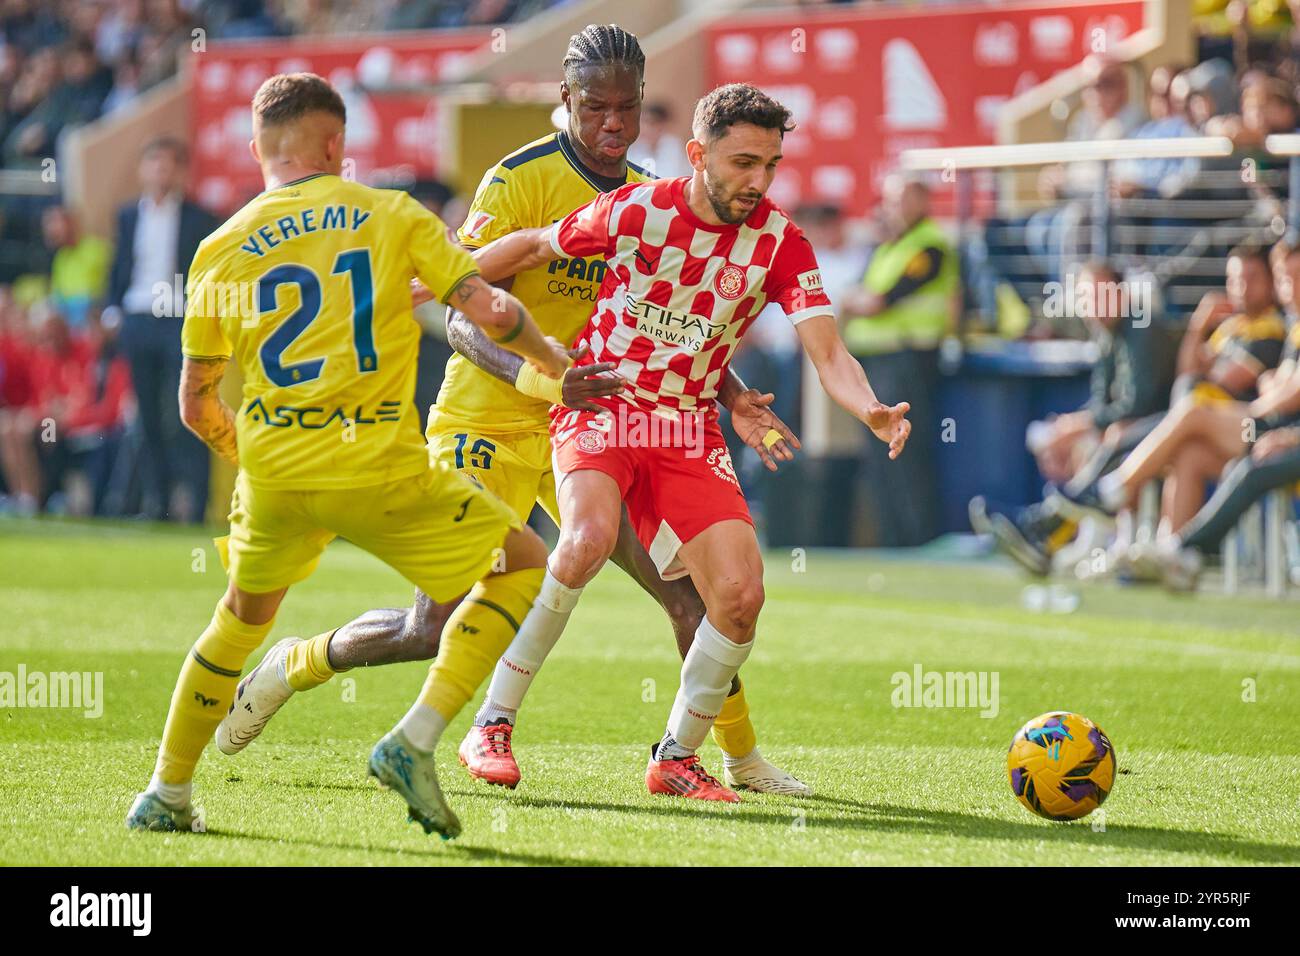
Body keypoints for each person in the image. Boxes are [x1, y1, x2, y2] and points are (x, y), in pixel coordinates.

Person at [217, 25, 812, 797]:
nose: (612, 125)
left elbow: (676, 324)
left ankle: (735, 758)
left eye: (626, 108)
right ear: (564, 101)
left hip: (603, 426)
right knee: (438, 623)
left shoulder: (652, 193)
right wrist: (543, 381)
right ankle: (295, 663)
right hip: (487, 421)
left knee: (691, 597)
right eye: (595, 107)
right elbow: (462, 317)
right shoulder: (517, 179)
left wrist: (733, 397)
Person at [124, 72, 568, 838]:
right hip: (380, 468)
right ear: (337, 144)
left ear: (259, 147)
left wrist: (252, 451)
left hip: (273, 475)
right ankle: (415, 736)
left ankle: (166, 792)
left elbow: (195, 403)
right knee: (524, 560)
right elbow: (492, 308)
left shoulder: (221, 247)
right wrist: (552, 362)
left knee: (237, 621)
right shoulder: (393, 214)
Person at [464, 82, 911, 802]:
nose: (757, 181)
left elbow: (828, 354)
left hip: (687, 426)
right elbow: (537, 244)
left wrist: (872, 410)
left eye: (770, 164)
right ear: (698, 154)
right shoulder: (639, 207)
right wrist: (445, 276)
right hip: (605, 406)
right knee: (582, 541)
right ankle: (492, 722)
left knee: (739, 597)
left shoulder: (780, 242)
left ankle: (677, 756)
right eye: (742, 162)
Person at [104, 137, 219, 522]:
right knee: (148, 416)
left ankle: (197, 504)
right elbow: (120, 266)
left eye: (168, 164)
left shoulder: (199, 217)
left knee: (187, 412)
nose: (161, 171)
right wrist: (112, 310)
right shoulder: (127, 216)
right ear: (142, 169)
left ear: (181, 171)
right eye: (154, 163)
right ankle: (159, 503)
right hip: (137, 317)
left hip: (179, 319)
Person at [841, 174, 955, 547]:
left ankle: (918, 540)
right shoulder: (889, 245)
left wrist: (859, 302)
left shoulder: (929, 245)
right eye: (889, 199)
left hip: (906, 359)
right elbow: (855, 297)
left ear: (922, 200)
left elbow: (875, 302)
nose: (892, 207)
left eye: (901, 198)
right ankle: (893, 541)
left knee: (906, 453)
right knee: (879, 456)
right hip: (875, 363)